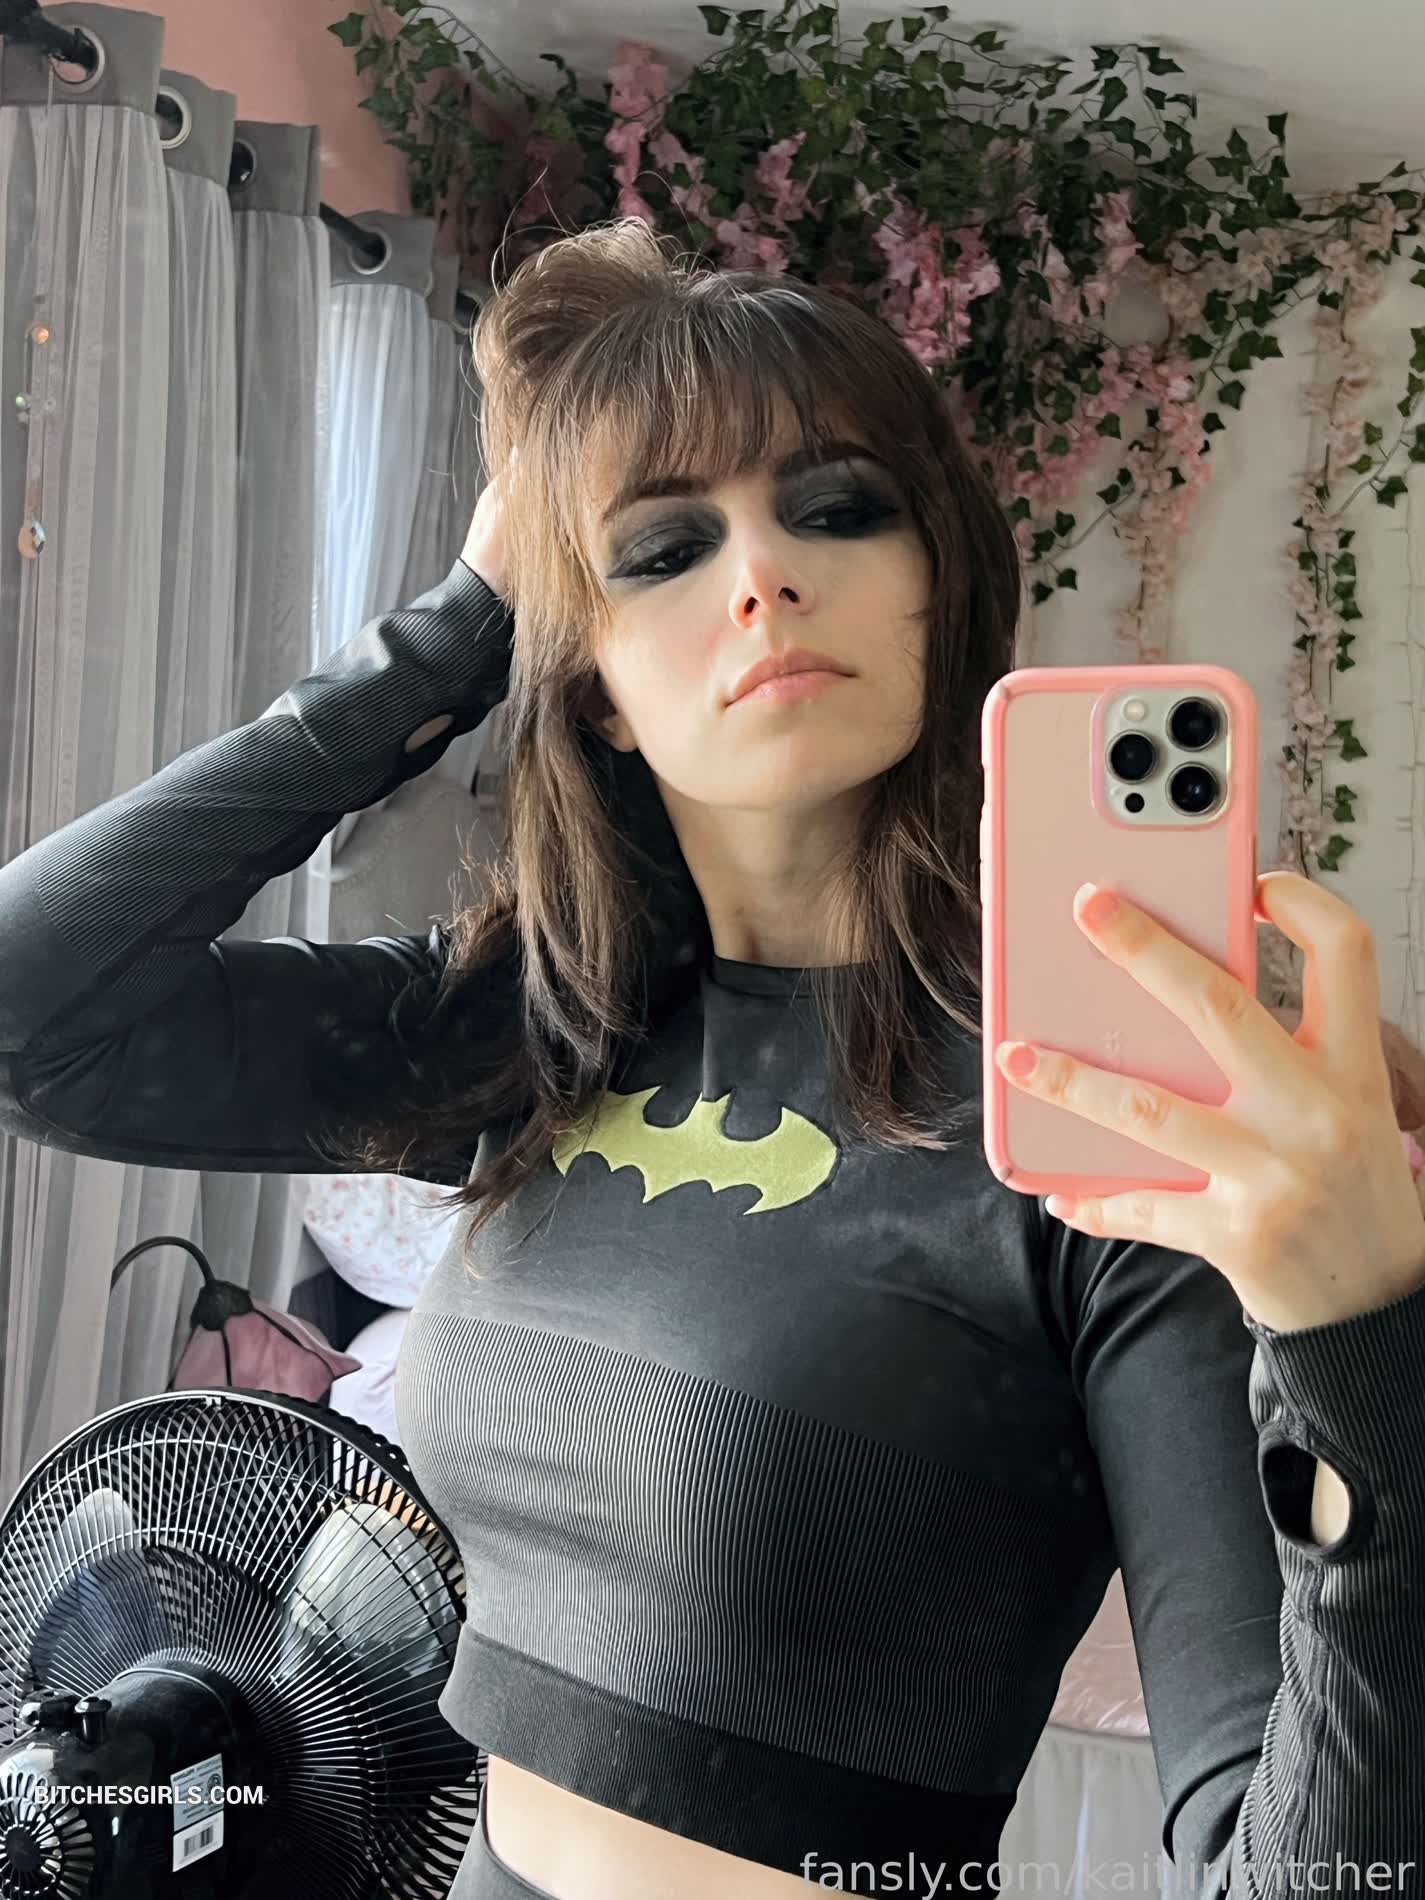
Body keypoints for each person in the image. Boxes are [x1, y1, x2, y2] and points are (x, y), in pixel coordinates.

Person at [2, 217, 1423, 1900]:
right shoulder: (542, 1029)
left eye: (837, 509)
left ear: (940, 585)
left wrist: (1355, 1336)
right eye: (661, 549)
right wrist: (455, 632)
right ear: (592, 680)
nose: (762, 576)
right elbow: (36, 1018)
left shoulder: (1100, 1126)